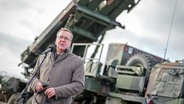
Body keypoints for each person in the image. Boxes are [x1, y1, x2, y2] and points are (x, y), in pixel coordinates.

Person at [30, 28, 85, 104]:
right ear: (56, 40)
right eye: (60, 37)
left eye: (66, 38)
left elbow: (79, 85)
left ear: (70, 43)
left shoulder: (77, 62)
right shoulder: (43, 56)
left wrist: (57, 91)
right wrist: (36, 84)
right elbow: (33, 76)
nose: (63, 40)